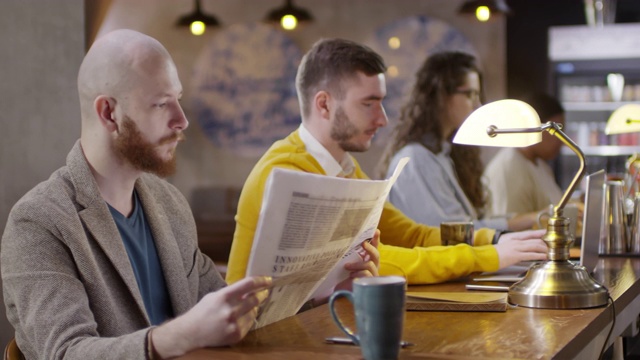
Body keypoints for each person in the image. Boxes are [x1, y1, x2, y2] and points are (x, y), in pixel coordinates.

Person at [1, 29, 272, 359]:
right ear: (109, 114)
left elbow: (218, 304)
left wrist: (316, 283)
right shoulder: (38, 222)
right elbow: (65, 353)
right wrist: (180, 335)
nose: (182, 120)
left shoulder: (170, 203)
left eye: (178, 100)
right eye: (161, 104)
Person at [226, 38, 548, 288]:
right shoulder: (285, 172)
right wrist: (488, 255)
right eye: (369, 104)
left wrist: (492, 239)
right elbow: (375, 262)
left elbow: (414, 236)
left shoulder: (344, 168)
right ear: (324, 104)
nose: (383, 119)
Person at [378, 51, 540, 231]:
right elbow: (443, 232)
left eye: (477, 95)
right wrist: (515, 223)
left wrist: (523, 219)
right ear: (441, 95)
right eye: (470, 94)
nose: (477, 105)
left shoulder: (443, 154)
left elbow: (464, 221)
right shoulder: (415, 159)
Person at [483, 92, 565, 215]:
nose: (562, 141)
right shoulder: (509, 169)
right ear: (536, 127)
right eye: (557, 132)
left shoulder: (540, 164)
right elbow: (510, 226)